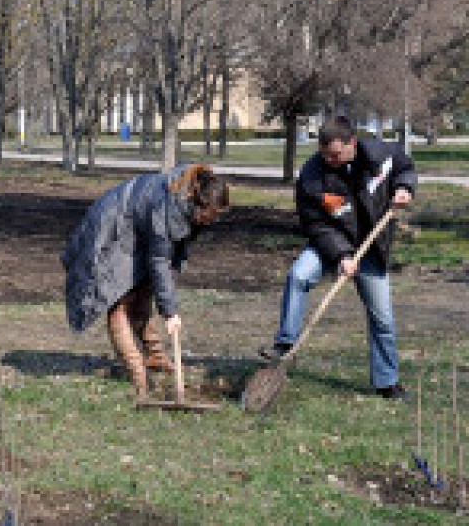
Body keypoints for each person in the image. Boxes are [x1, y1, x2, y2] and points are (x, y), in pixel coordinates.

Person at [261, 116, 416, 400]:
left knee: (382, 318)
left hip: (371, 248)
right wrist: (342, 255)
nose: (329, 159)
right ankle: (286, 343)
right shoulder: (312, 175)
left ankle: (387, 382)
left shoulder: (381, 155)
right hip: (329, 243)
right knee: (298, 275)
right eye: (324, 153)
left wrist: (404, 187)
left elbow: (404, 166)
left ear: (351, 144)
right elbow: (314, 224)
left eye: (335, 154)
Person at [62, 164, 230, 398]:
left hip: (135, 229)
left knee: (143, 290)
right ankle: (138, 375)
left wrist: (165, 299)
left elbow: (166, 258)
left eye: (216, 216)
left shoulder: (192, 200)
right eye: (209, 214)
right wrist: (170, 312)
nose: (211, 220)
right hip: (111, 229)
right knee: (118, 304)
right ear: (196, 201)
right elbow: (159, 259)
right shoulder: (167, 207)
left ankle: (155, 358)